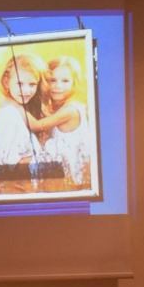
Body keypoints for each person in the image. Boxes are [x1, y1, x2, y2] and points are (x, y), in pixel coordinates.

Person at [24, 56, 91, 191]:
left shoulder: (71, 110)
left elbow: (38, 125)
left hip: (76, 183)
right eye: (52, 80)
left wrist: (16, 106)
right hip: (63, 180)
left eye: (65, 81)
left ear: (74, 83)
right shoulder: (56, 109)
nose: (58, 86)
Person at [0, 53, 48, 194]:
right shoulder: (11, 114)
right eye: (20, 84)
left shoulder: (17, 109)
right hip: (17, 189)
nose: (26, 90)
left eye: (32, 84)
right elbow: (4, 164)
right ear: (6, 81)